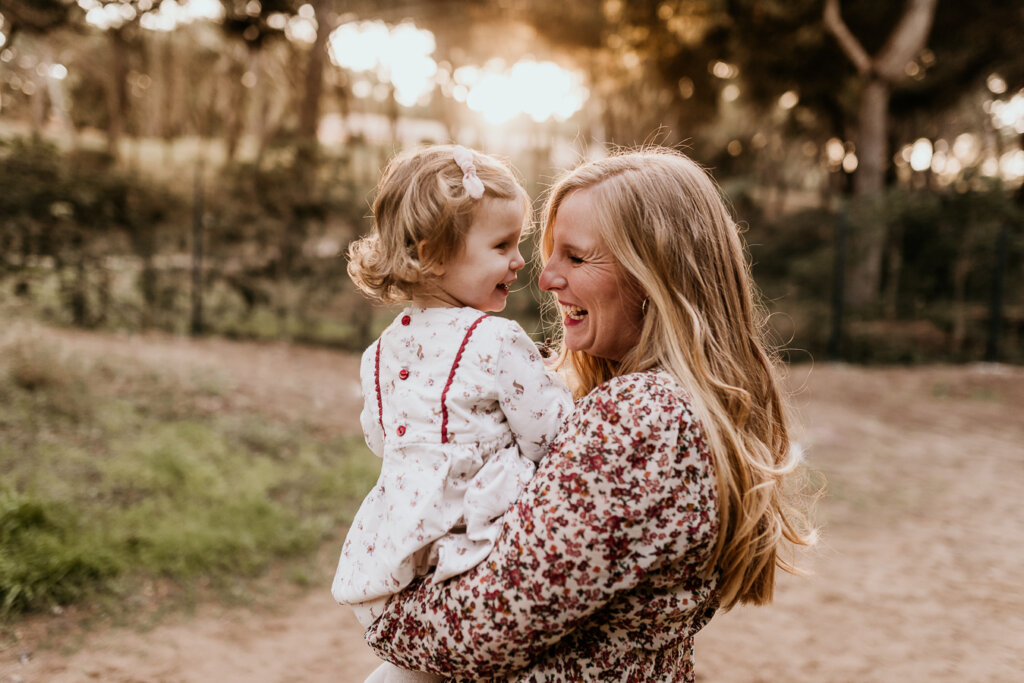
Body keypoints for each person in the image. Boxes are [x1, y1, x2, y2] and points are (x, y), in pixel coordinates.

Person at [361, 148, 817, 681]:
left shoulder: (643, 418)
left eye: (576, 258)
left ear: (657, 276)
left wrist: (385, 616)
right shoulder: (652, 406)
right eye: (551, 252)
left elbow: (483, 631)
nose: (545, 277)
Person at [333, 145, 574, 683]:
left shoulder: (379, 352)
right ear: (434, 255)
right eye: (501, 245)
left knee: (422, 667)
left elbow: (381, 439)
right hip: (478, 536)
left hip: (403, 545)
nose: (519, 260)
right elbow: (552, 434)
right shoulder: (496, 339)